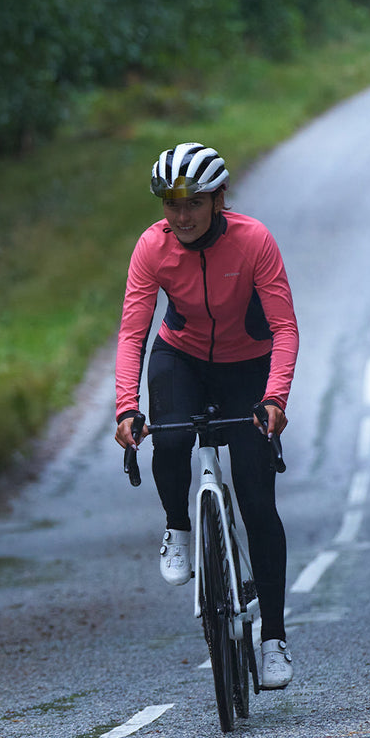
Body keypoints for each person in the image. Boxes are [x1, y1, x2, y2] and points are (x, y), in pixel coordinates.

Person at [115, 142, 299, 690]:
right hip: (183, 359)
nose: (181, 214)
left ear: (219, 199)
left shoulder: (254, 241)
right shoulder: (152, 246)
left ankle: (273, 639)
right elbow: (132, 334)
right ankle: (178, 527)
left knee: (258, 502)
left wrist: (275, 399)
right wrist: (128, 407)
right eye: (171, 203)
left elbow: (285, 329)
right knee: (168, 443)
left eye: (193, 202)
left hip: (248, 367)